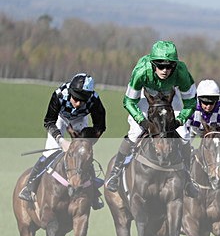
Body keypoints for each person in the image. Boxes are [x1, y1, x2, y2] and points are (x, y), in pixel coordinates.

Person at [104, 40, 198, 197]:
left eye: (169, 66)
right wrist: (142, 121)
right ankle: (116, 171)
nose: (165, 70)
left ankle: (188, 177)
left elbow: (191, 102)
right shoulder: (141, 71)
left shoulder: (182, 73)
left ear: (175, 66)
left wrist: (180, 119)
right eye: (160, 66)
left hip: (170, 98)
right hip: (145, 97)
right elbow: (129, 101)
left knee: (184, 134)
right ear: (153, 64)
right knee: (135, 132)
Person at [18, 73, 106, 209]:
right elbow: (48, 121)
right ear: (70, 93)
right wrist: (61, 141)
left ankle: (94, 192)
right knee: (50, 153)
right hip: (60, 119)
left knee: (82, 155)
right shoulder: (59, 95)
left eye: (82, 101)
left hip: (79, 120)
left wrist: (85, 139)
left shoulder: (94, 100)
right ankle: (29, 187)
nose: (77, 104)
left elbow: (100, 127)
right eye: (75, 99)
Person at [183, 79, 220, 208]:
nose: (208, 106)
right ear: (199, 100)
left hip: (214, 135)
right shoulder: (191, 108)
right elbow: (185, 130)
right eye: (205, 103)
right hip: (192, 132)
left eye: (212, 103)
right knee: (183, 156)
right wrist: (187, 148)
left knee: (216, 159)